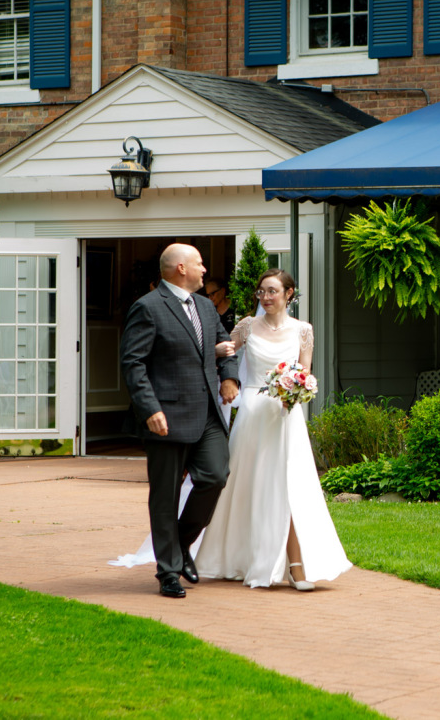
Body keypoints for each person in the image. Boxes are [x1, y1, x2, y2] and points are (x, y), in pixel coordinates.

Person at [195, 269, 352, 590]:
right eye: (261, 292)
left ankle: (296, 565)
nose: (265, 298)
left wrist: (295, 391)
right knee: (248, 485)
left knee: (288, 485)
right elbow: (221, 353)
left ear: (288, 294)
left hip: (285, 415)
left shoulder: (303, 331)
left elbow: (305, 373)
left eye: (272, 291)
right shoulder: (247, 326)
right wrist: (210, 363)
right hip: (252, 412)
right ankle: (243, 557)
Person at [119, 243, 239, 599]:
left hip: (207, 415)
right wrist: (149, 408)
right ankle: (168, 572)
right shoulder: (148, 307)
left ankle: (182, 543)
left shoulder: (205, 306)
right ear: (181, 268)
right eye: (200, 264)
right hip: (166, 417)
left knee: (216, 476)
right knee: (165, 497)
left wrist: (229, 377)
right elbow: (133, 363)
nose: (206, 270)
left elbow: (224, 346)